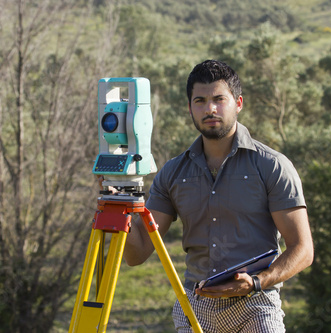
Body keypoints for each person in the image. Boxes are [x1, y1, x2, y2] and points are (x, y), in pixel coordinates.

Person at [122, 60, 314, 332]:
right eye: (200, 100)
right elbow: (137, 254)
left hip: (257, 305)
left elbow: (303, 250)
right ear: (189, 108)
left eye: (218, 99)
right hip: (195, 307)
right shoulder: (173, 173)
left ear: (238, 103)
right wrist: (122, 202)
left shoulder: (272, 166)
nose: (210, 108)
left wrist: (258, 281)